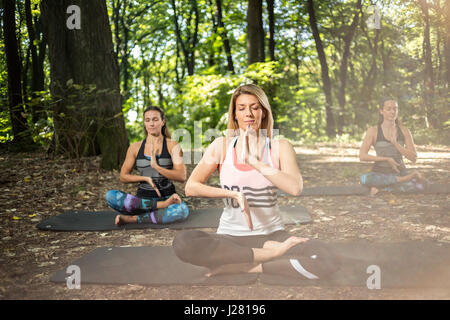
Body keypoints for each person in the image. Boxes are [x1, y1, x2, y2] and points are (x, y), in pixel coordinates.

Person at [172, 84, 341, 280]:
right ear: (234, 114)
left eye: (254, 107)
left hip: (272, 236)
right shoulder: (221, 146)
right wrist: (233, 194)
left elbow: (295, 188)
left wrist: (252, 160)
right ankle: (269, 256)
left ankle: (247, 266)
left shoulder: (280, 147)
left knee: (327, 257)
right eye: (241, 108)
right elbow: (191, 187)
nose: (248, 113)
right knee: (184, 243)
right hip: (230, 239)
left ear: (264, 112)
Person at [105, 106, 189, 225]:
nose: (151, 124)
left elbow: (181, 176)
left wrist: (157, 167)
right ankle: (157, 210)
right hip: (142, 201)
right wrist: (145, 178)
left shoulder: (172, 146)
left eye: (155, 119)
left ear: (162, 121)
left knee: (182, 210)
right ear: (144, 123)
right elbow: (123, 176)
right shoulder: (135, 147)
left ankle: (134, 219)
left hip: (167, 198)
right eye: (147, 120)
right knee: (110, 196)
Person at [359, 98, 427, 195]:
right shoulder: (373, 131)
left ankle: (383, 189)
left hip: (399, 172)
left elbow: (413, 158)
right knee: (365, 179)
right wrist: (386, 159)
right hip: (380, 173)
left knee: (423, 184)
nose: (392, 112)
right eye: (389, 109)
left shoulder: (404, 131)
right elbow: (362, 156)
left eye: (395, 109)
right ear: (381, 111)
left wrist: (396, 144)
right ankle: (402, 181)